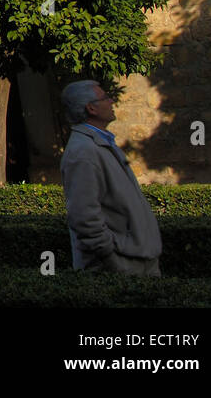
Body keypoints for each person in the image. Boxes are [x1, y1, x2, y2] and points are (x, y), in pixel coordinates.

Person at [60, 80, 162, 276]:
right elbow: (84, 217)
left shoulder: (101, 142)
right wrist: (112, 259)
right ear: (91, 108)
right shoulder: (83, 152)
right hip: (122, 264)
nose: (112, 100)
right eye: (105, 98)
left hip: (136, 259)